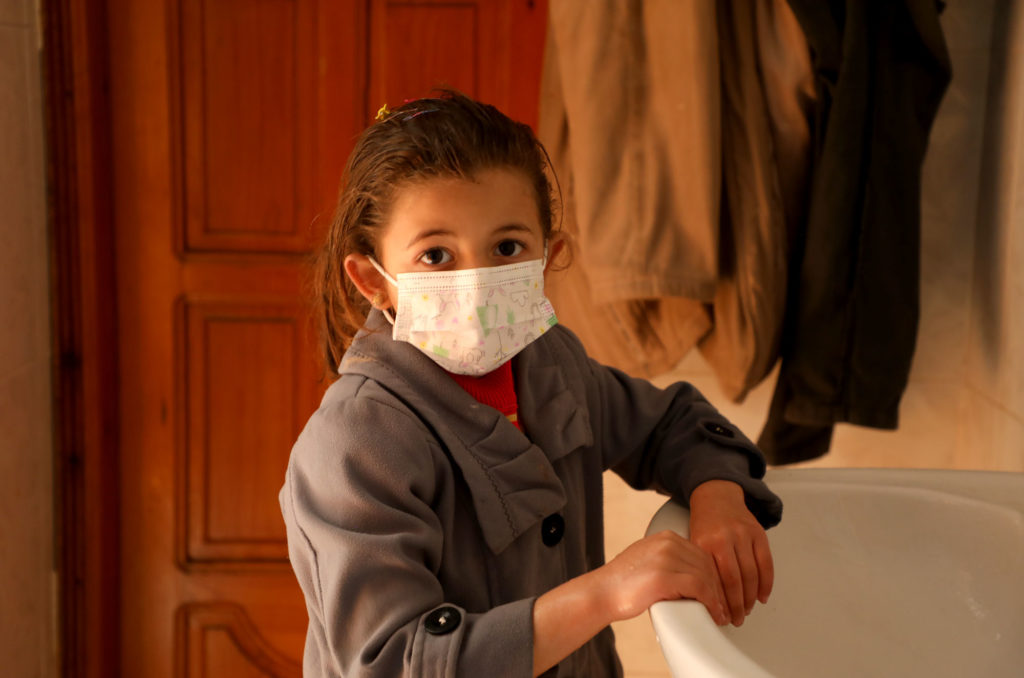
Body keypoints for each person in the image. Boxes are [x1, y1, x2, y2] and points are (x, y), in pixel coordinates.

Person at [280, 90, 783, 678]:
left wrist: (718, 496)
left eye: (507, 248)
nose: (476, 280)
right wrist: (606, 593)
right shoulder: (353, 445)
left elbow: (671, 424)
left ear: (548, 258)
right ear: (374, 281)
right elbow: (394, 663)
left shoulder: (553, 364)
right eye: (436, 255)